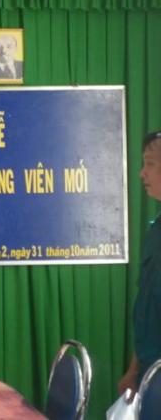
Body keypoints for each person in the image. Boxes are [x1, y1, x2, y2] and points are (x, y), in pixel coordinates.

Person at [118, 130, 161, 396]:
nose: (141, 173)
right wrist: (134, 370)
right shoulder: (155, 231)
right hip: (148, 372)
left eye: (150, 164)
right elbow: (145, 305)